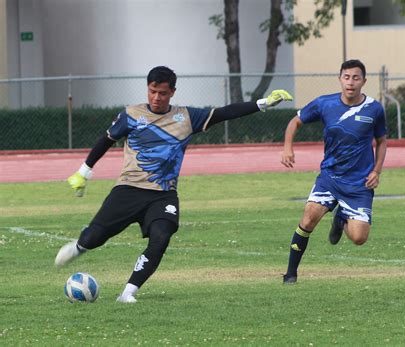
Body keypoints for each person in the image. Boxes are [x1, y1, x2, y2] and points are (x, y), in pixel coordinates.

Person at [55, 66, 293, 302]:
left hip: (163, 195)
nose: (157, 97)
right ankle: (80, 246)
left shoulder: (186, 117)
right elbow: (106, 141)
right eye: (152, 91)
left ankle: (128, 293)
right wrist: (83, 172)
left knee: (161, 237)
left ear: (172, 93)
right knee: (94, 238)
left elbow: (223, 113)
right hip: (128, 189)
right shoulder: (131, 114)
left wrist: (262, 103)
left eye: (163, 93)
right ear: (147, 89)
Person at [280, 59, 387, 284]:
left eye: (356, 78)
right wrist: (288, 148)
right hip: (330, 177)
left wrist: (377, 171)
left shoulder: (374, 109)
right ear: (340, 79)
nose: (351, 82)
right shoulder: (324, 104)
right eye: (346, 77)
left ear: (364, 81)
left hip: (359, 183)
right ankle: (290, 274)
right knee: (308, 220)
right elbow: (294, 122)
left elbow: (382, 141)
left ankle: (340, 219)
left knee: (359, 238)